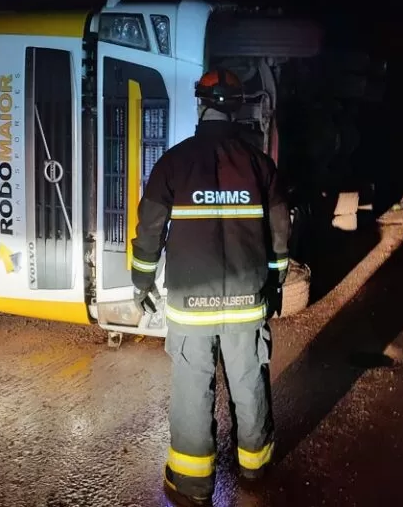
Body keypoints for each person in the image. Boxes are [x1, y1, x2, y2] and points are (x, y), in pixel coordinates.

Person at [130, 68, 291, 506]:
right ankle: (255, 469)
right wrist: (275, 279)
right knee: (248, 380)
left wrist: (141, 280)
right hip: (245, 301)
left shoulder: (173, 163)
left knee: (191, 388)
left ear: (200, 104)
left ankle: (191, 485)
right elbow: (279, 231)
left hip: (189, 306)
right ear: (237, 107)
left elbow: (148, 232)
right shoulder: (260, 166)